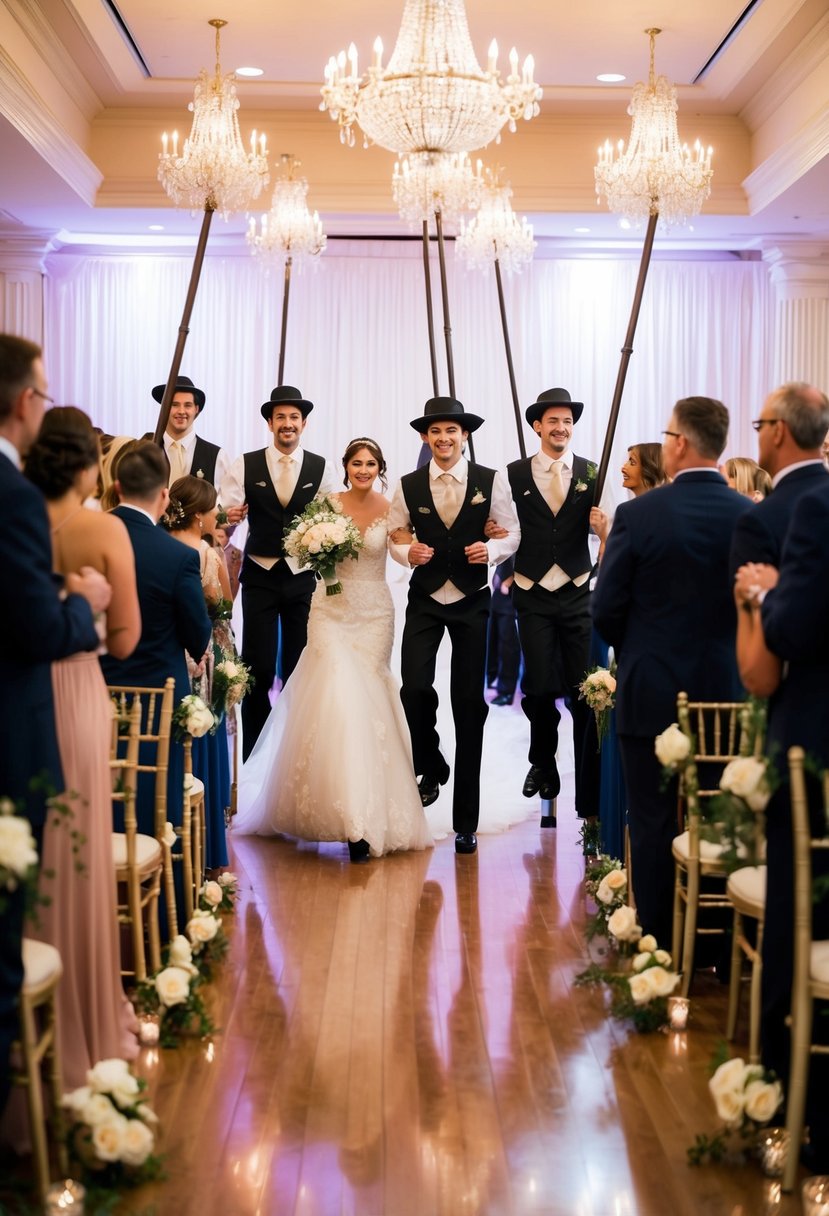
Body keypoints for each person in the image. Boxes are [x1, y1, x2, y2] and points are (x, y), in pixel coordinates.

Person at [592, 396, 751, 947]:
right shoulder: (748, 516)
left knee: (654, 817)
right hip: (727, 696)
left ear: (679, 444)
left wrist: (638, 650)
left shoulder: (638, 516)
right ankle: (716, 944)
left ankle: (657, 941)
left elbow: (607, 609)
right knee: (721, 815)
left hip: (652, 688)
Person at [0, 334, 109, 1115]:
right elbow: (38, 630)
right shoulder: (11, 499)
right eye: (39, 390)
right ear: (20, 402)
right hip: (25, 717)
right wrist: (86, 606)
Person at [236, 438, 432, 861]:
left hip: (374, 613)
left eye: (371, 463)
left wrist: (410, 554)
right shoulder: (326, 504)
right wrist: (315, 548)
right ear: (345, 467)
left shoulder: (389, 505)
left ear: (380, 467)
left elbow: (398, 546)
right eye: (357, 462)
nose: (363, 469)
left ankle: (364, 816)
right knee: (337, 697)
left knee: (369, 702)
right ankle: (340, 812)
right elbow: (298, 546)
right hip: (329, 610)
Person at [24, 406, 142, 1085]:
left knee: (32, 850)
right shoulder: (103, 528)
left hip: (21, 690)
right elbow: (123, 639)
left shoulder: (18, 520)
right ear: (89, 464)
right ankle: (85, 1014)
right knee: (80, 850)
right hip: (76, 692)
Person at [734, 479, 829, 1162]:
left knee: (799, 916)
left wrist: (766, 593)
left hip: (815, 746)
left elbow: (791, 633)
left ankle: (790, 1098)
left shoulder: (816, 511)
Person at [387, 397, 519, 855]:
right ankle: (432, 761)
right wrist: (408, 554)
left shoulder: (490, 480)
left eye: (452, 431)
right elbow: (395, 534)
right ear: (426, 437)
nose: (444, 439)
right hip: (424, 599)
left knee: (469, 706)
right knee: (413, 690)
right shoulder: (407, 485)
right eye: (436, 432)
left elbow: (512, 531)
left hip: (472, 601)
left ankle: (467, 820)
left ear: (464, 436)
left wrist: (493, 550)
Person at [100, 442, 212, 847]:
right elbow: (197, 634)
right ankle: (165, 899)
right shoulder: (176, 555)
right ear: (164, 496)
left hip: (95, 691)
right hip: (157, 696)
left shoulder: (86, 537)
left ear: (116, 487)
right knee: (156, 797)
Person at [220, 386, 339, 759]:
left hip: (303, 577)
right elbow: (225, 514)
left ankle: (295, 751)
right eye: (280, 418)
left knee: (298, 664)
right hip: (260, 574)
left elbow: (332, 518)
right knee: (257, 661)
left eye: (293, 418)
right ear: (270, 423)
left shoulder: (322, 466)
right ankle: (255, 751)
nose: (287, 424)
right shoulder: (245, 463)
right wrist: (228, 518)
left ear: (303, 423)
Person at [504, 387, 601, 828]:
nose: (561, 428)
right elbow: (503, 527)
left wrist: (604, 529)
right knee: (540, 687)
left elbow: (608, 530)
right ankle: (542, 762)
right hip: (533, 590)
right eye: (553, 421)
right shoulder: (512, 474)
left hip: (578, 589)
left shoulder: (591, 472)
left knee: (585, 692)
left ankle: (591, 788)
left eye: (567, 421)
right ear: (537, 426)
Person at [589, 441, 667, 858]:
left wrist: (606, 536)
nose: (623, 467)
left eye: (632, 462)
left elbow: (615, 581)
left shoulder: (636, 516)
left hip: (633, 634)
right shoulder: (626, 513)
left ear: (651, 468)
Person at [164, 475, 235, 870]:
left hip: (170, 655)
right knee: (204, 735)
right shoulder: (207, 554)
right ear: (198, 515)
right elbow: (222, 605)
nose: (216, 516)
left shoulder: (159, 546)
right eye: (212, 510)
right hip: (201, 657)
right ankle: (207, 843)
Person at [729, 382, 829, 576]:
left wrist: (766, 592)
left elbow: (750, 602)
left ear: (778, 431)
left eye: (759, 426)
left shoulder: (760, 520)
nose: (758, 436)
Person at [150, 375, 232, 490]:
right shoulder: (146, 452)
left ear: (196, 409)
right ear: (164, 407)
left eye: (188, 405)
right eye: (174, 405)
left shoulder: (217, 456)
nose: (181, 411)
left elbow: (223, 505)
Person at [486, 558, 520, 707]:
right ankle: (493, 678)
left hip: (511, 592)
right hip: (497, 592)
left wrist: (509, 578)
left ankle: (507, 691)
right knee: (494, 640)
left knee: (508, 645)